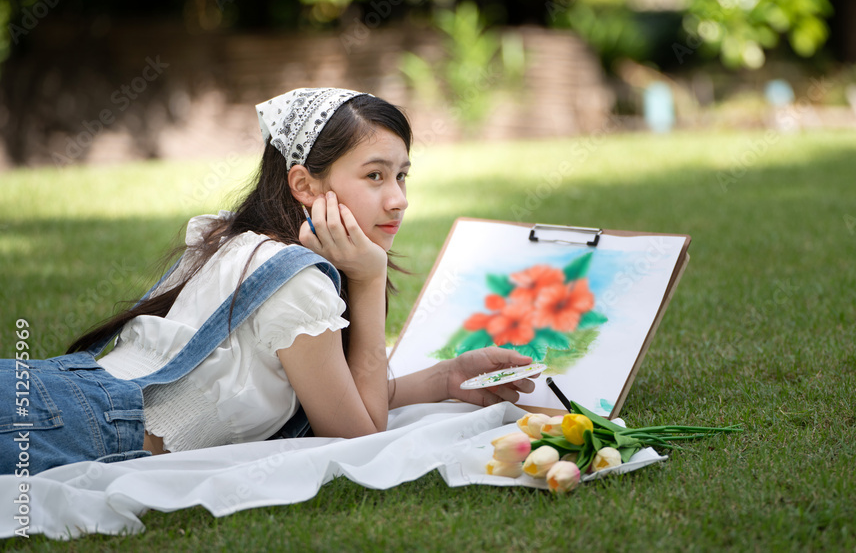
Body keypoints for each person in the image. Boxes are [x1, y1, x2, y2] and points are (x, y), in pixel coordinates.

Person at [1, 87, 533, 474]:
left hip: (56, 398)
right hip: (63, 428)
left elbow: (330, 392)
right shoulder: (297, 283)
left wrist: (443, 379)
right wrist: (368, 285)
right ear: (303, 184)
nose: (398, 198)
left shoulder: (243, 240)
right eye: (375, 175)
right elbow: (361, 436)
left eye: (401, 175)